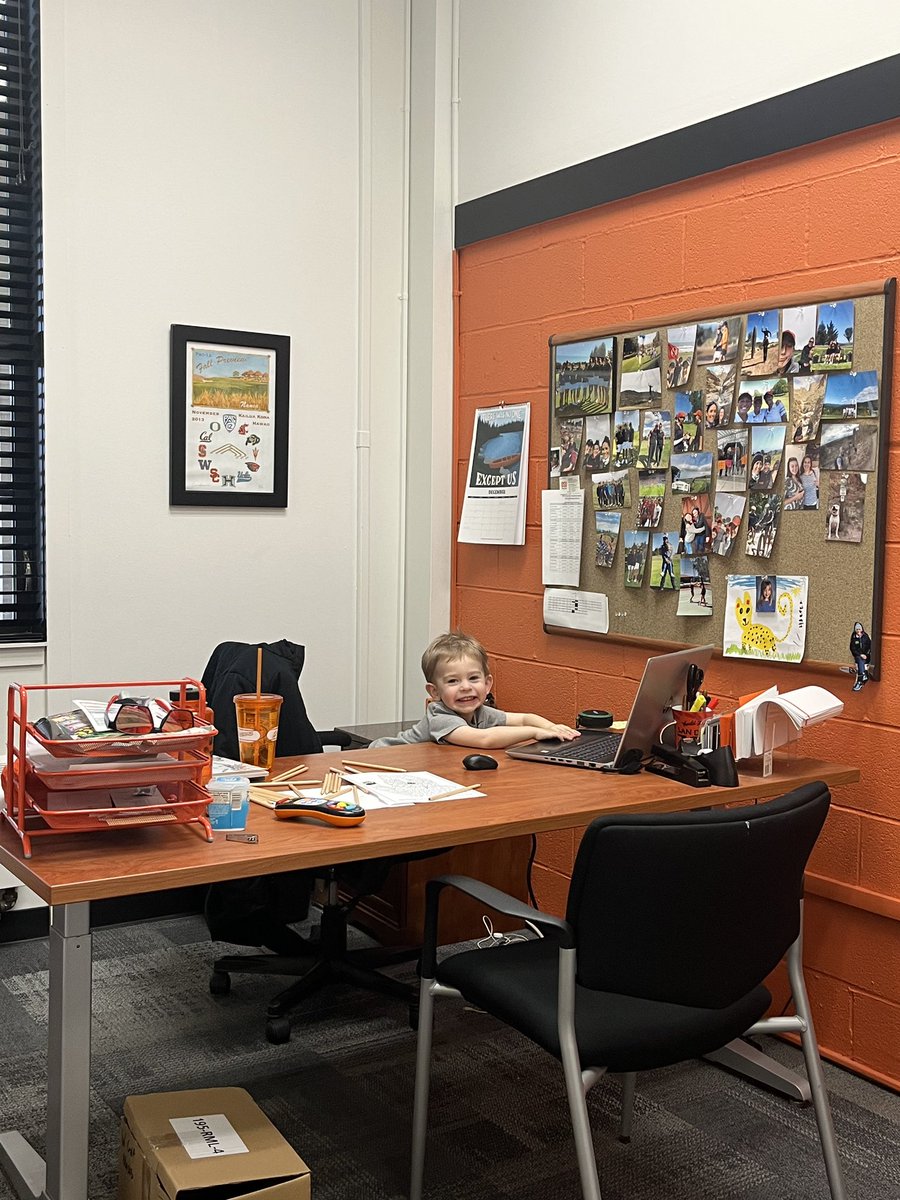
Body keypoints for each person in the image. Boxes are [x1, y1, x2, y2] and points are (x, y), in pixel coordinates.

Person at [369, 632, 579, 749]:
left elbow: (525, 718)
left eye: (473, 678)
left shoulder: (480, 712)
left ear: (487, 684)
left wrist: (553, 728)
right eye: (453, 681)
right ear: (435, 692)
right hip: (376, 761)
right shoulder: (440, 716)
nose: (466, 687)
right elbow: (484, 739)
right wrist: (535, 733)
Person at [849, 621, 871, 692]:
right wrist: (860, 654)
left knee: (861, 661)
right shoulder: (854, 638)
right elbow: (852, 648)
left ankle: (860, 679)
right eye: (857, 629)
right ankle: (863, 676)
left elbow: (870, 646)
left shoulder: (865, 636)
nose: (858, 631)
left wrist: (866, 654)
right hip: (858, 656)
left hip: (866, 656)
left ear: (862, 629)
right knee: (860, 659)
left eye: (859, 629)